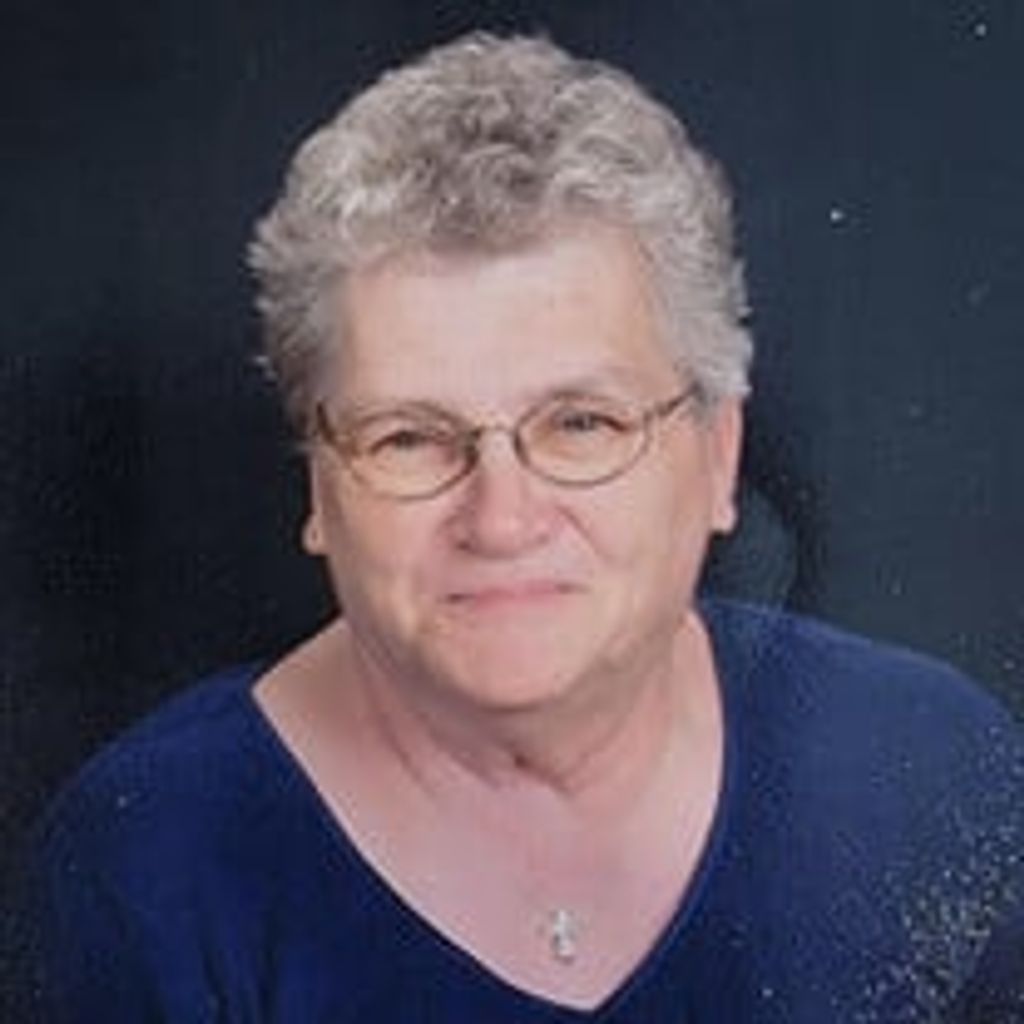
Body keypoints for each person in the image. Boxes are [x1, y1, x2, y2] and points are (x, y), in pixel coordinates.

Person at [10, 31, 1024, 1022]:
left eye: (582, 423)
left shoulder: (934, 767)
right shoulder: (141, 871)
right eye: (410, 437)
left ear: (717, 457)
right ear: (318, 484)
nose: (501, 519)